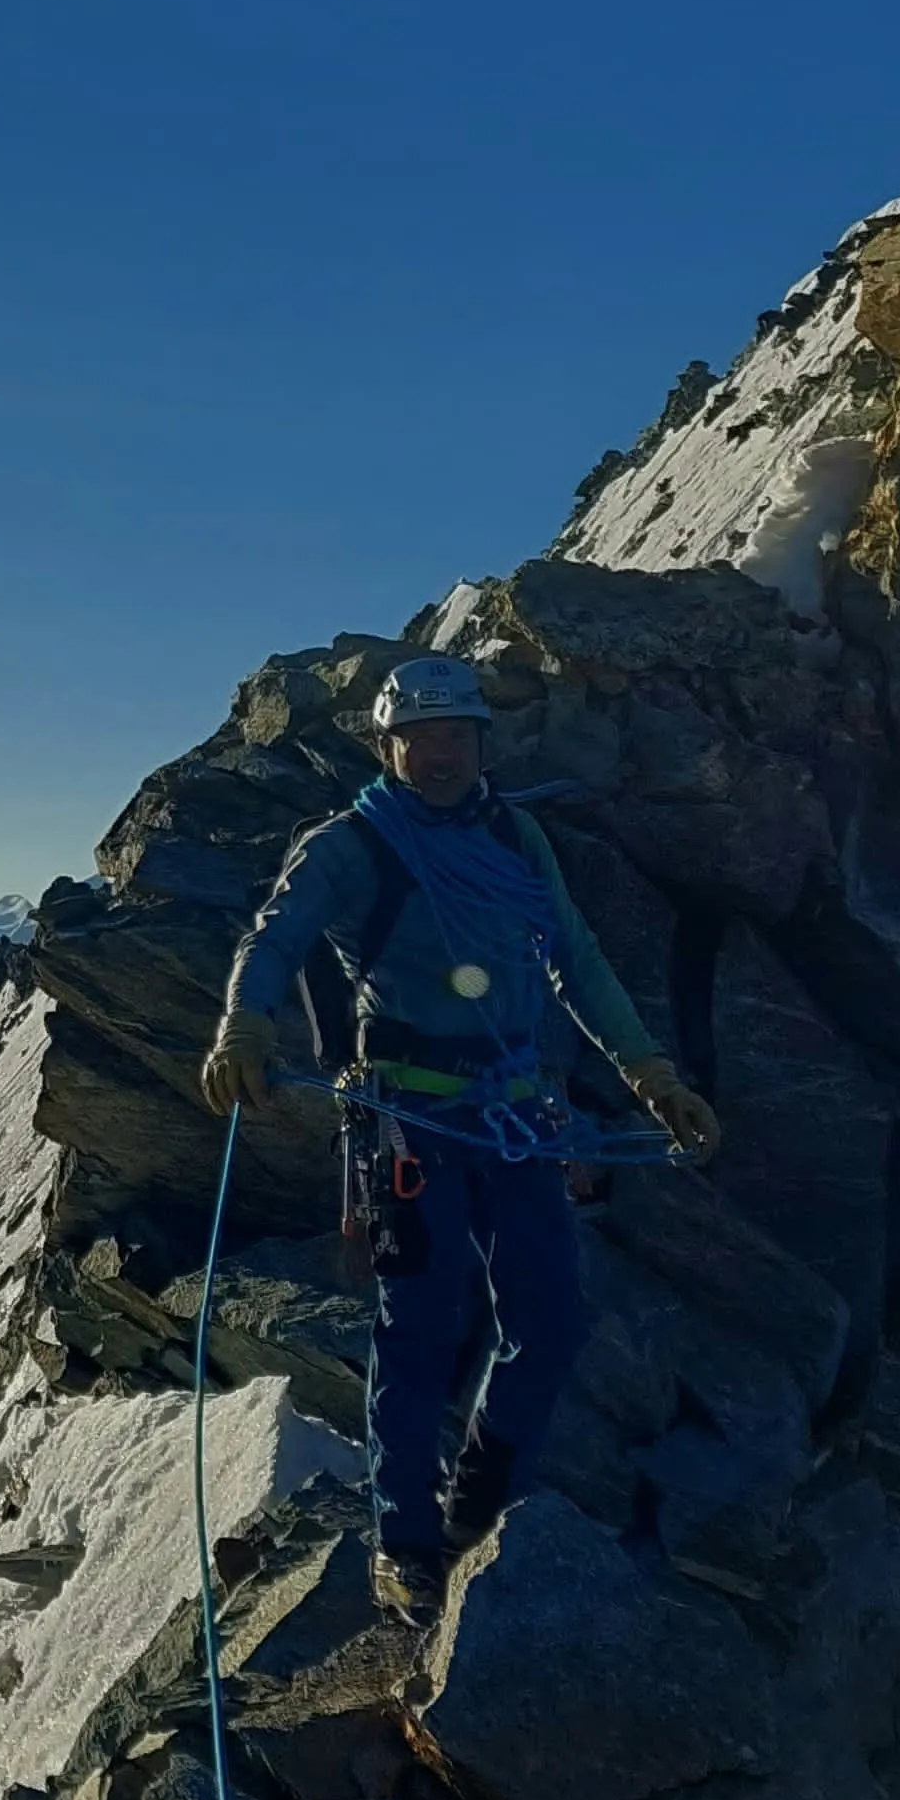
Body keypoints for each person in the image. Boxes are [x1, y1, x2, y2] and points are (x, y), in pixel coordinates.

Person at [198, 656, 721, 1622]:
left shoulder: (516, 835)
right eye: (421, 738)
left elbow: (575, 957)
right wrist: (244, 1025)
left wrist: (652, 1073)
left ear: (483, 743)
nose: (441, 754)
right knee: (421, 1326)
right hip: (409, 1121)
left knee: (551, 1320)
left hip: (516, 1117)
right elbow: (273, 937)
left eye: (457, 736)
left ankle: (469, 1510)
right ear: (389, 748)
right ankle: (405, 1540)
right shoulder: (352, 845)